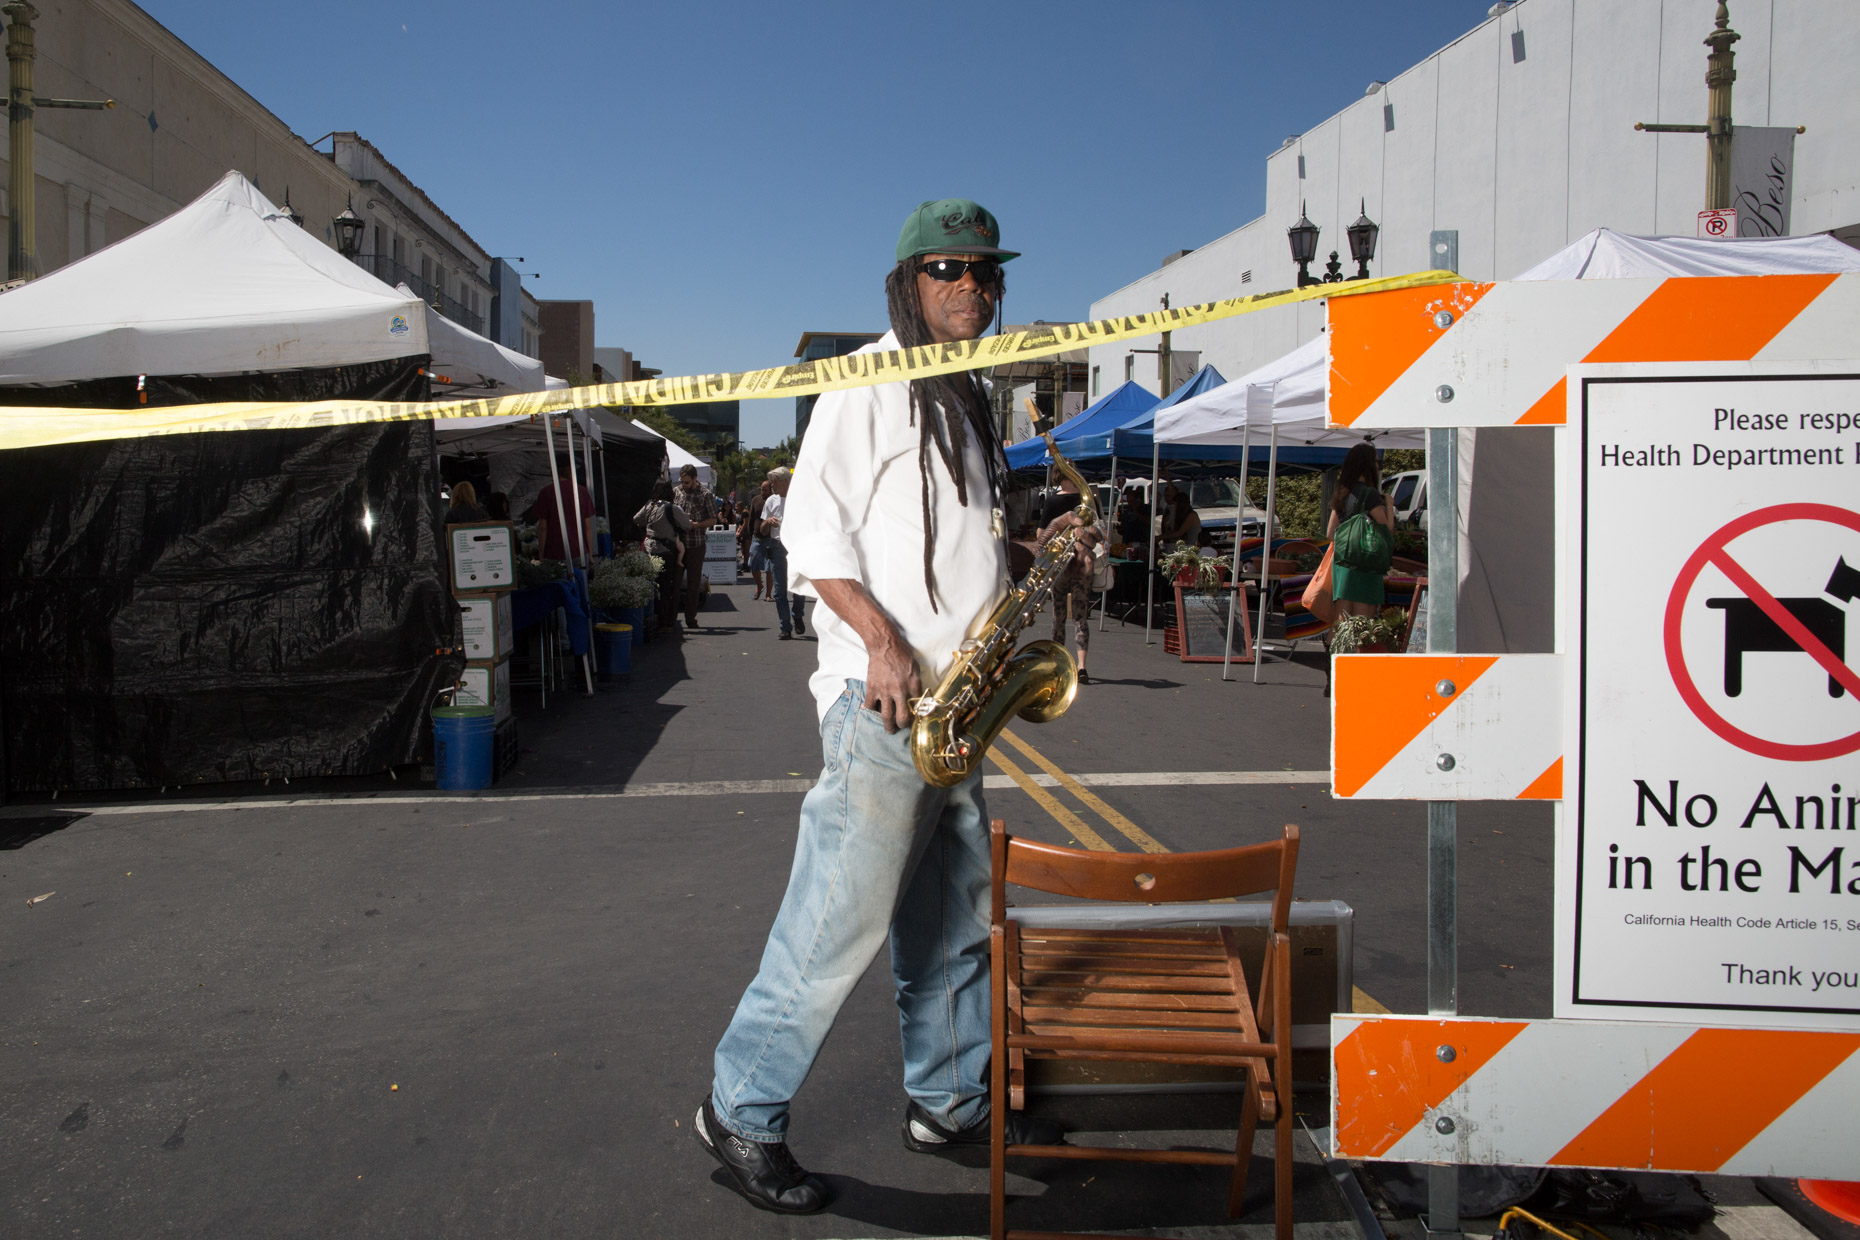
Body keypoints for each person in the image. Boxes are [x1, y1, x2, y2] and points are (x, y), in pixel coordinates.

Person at [697, 198, 1088, 1215]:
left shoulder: (965, 397)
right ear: (908, 282)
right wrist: (879, 642)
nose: (973, 286)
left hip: (958, 708)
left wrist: (1032, 554)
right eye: (949, 268)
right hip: (887, 706)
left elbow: (949, 548)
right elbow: (813, 535)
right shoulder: (865, 382)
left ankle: (949, 1102)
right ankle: (740, 1108)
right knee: (836, 921)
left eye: (986, 271)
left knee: (953, 921)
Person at [1328, 441, 1394, 619]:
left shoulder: (1342, 492)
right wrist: (1389, 505)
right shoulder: (1370, 494)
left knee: (1342, 621)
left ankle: (1334, 640)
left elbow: (1330, 532)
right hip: (1366, 563)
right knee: (1362, 622)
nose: (1377, 465)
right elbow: (1386, 530)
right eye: (1375, 461)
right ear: (1368, 465)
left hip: (1343, 563)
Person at [1040, 477, 1094, 686]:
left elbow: (1041, 534)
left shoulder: (1052, 501)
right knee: (1080, 616)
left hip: (1061, 564)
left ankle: (1058, 664)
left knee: (1059, 615)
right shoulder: (1087, 500)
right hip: (1082, 564)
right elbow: (1096, 533)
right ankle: (1082, 666)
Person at [635, 480, 692, 635]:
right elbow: (687, 526)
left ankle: (649, 618)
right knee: (665, 587)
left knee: (650, 584)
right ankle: (663, 622)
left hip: (648, 549)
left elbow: (636, 519)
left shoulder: (649, 505)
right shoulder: (672, 508)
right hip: (666, 551)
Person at [756, 467, 806, 638]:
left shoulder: (799, 499)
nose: (772, 485)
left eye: (775, 482)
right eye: (771, 482)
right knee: (779, 589)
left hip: (796, 547)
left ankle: (797, 615)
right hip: (777, 546)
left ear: (785, 482)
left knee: (798, 585)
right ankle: (785, 627)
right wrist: (768, 522)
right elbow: (762, 530)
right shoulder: (771, 501)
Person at [673, 464, 716, 629]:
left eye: (687, 482)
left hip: (696, 544)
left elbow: (713, 519)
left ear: (695, 479)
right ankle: (670, 619)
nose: (684, 485)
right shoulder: (676, 492)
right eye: (682, 482)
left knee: (693, 584)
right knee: (675, 582)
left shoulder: (706, 495)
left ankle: (690, 618)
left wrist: (696, 525)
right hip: (678, 544)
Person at [534, 471, 596, 564]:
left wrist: (541, 555)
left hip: (553, 552)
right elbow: (588, 527)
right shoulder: (581, 491)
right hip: (579, 550)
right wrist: (590, 553)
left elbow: (542, 527)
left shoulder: (546, 492)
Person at [740, 480, 772, 601]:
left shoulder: (774, 500)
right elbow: (752, 517)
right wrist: (749, 534)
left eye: (765, 490)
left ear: (771, 490)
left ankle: (768, 594)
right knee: (753, 564)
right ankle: (759, 585)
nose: (763, 492)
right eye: (762, 490)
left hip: (770, 538)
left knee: (769, 567)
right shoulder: (756, 500)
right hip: (756, 538)